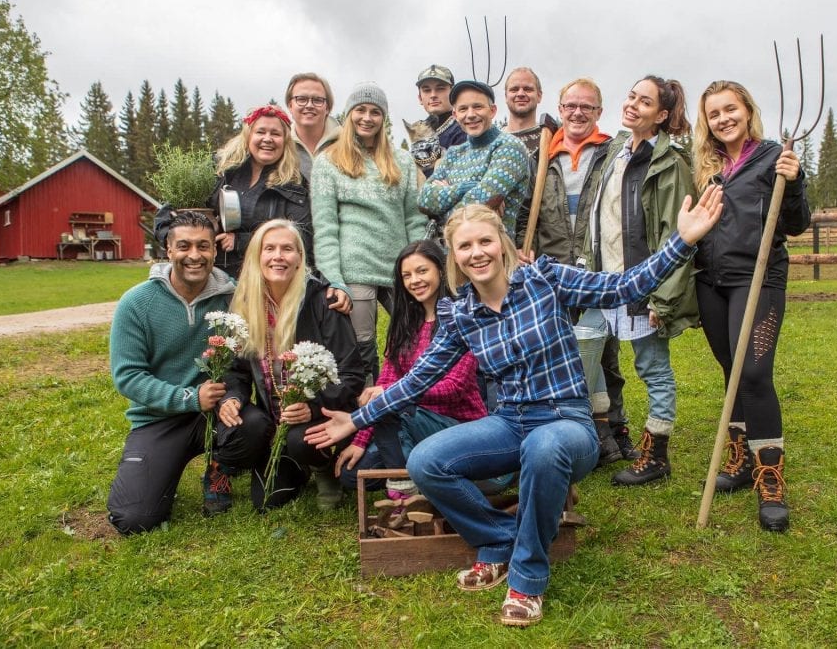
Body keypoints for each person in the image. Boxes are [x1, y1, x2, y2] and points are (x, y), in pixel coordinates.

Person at [304, 194, 724, 627]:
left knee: (544, 447)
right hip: (509, 421)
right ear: (455, 258)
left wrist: (683, 239)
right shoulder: (462, 313)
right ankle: (502, 540)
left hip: (566, 422)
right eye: (465, 247)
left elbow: (624, 288)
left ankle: (527, 579)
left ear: (501, 242)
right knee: (427, 461)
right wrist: (355, 420)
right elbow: (417, 380)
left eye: (484, 241)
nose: (476, 253)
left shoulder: (545, 279)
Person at [692, 80, 811, 532]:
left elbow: (798, 224)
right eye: (714, 114)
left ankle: (770, 476)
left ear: (747, 110)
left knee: (755, 375)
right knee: (731, 371)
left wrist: (794, 182)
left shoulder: (772, 157)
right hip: (711, 281)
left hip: (757, 279)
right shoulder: (707, 164)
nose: (723, 119)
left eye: (730, 110)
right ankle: (740, 458)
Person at [107, 210, 268, 533]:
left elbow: (243, 359)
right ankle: (156, 471)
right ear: (168, 250)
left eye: (203, 246)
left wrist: (336, 288)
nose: (194, 255)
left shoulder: (233, 297)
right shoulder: (137, 303)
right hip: (160, 418)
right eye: (184, 246)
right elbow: (128, 376)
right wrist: (189, 397)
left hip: (217, 414)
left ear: (215, 250)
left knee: (256, 426)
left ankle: (220, 468)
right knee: (135, 519)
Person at [581, 76, 700, 487]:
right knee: (586, 355)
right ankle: (601, 437)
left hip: (644, 284)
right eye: (631, 95)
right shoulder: (615, 150)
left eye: (644, 102)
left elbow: (678, 236)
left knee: (653, 367)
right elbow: (598, 217)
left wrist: (662, 299)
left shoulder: (669, 164)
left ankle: (657, 452)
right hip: (604, 280)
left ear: (662, 115)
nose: (632, 105)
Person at [517, 77, 637, 464]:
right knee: (559, 352)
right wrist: (524, 244)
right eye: (570, 105)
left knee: (606, 355)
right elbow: (523, 213)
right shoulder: (541, 159)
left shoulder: (611, 153)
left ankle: (616, 429)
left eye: (587, 106)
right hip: (551, 268)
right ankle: (579, 431)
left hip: (597, 269)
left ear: (599, 112)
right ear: (561, 108)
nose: (578, 112)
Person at [217, 219, 366, 511]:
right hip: (273, 416)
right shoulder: (245, 305)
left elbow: (352, 375)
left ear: (300, 259)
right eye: (269, 248)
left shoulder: (324, 302)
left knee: (301, 440)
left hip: (318, 413)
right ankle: (289, 461)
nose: (278, 256)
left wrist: (311, 407)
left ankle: (323, 467)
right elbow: (235, 370)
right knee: (267, 501)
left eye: (287, 249)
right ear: (257, 256)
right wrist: (232, 397)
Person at [334, 240, 487, 497]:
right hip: (408, 423)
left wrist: (390, 392)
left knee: (392, 401)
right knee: (354, 474)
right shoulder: (405, 324)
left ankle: (404, 490)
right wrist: (361, 441)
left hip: (457, 427)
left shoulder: (460, 317)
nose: (414, 280)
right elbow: (387, 378)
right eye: (407, 275)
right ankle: (417, 473)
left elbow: (453, 388)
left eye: (422, 271)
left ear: (440, 270)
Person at [311, 82, 426, 384]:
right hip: (355, 269)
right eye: (360, 110)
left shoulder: (401, 160)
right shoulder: (329, 162)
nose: (367, 117)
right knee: (363, 346)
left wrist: (419, 262)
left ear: (383, 118)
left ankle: (411, 401)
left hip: (399, 265)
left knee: (414, 336)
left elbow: (413, 218)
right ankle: (365, 411)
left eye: (375, 112)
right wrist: (333, 276)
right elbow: (325, 226)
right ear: (348, 115)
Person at [209, 105, 313, 280]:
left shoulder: (294, 184)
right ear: (248, 136)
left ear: (285, 141)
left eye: (275, 134)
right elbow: (176, 208)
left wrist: (241, 242)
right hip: (213, 273)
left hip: (266, 278)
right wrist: (171, 236)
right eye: (260, 132)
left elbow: (302, 237)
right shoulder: (220, 170)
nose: (267, 139)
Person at [419, 80, 529, 239]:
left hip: (493, 254)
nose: (470, 115)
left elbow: (478, 203)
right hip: (450, 257)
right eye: (463, 109)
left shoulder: (510, 147)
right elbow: (423, 199)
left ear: (492, 111)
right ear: (455, 115)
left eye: (478, 106)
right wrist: (462, 189)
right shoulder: (453, 153)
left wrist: (441, 210)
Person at [409, 64, 466, 177]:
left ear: (453, 93)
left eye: (440, 89)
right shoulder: (420, 133)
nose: (433, 95)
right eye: (427, 90)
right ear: (420, 98)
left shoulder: (464, 128)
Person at [285, 72, 341, 175]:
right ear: (290, 106)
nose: (309, 105)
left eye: (317, 100)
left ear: (327, 107)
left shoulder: (347, 143)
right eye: (301, 99)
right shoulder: (281, 146)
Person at [503, 67, 544, 159]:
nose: (520, 94)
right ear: (506, 96)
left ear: (539, 96)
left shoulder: (551, 139)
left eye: (527, 89)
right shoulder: (493, 141)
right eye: (514, 89)